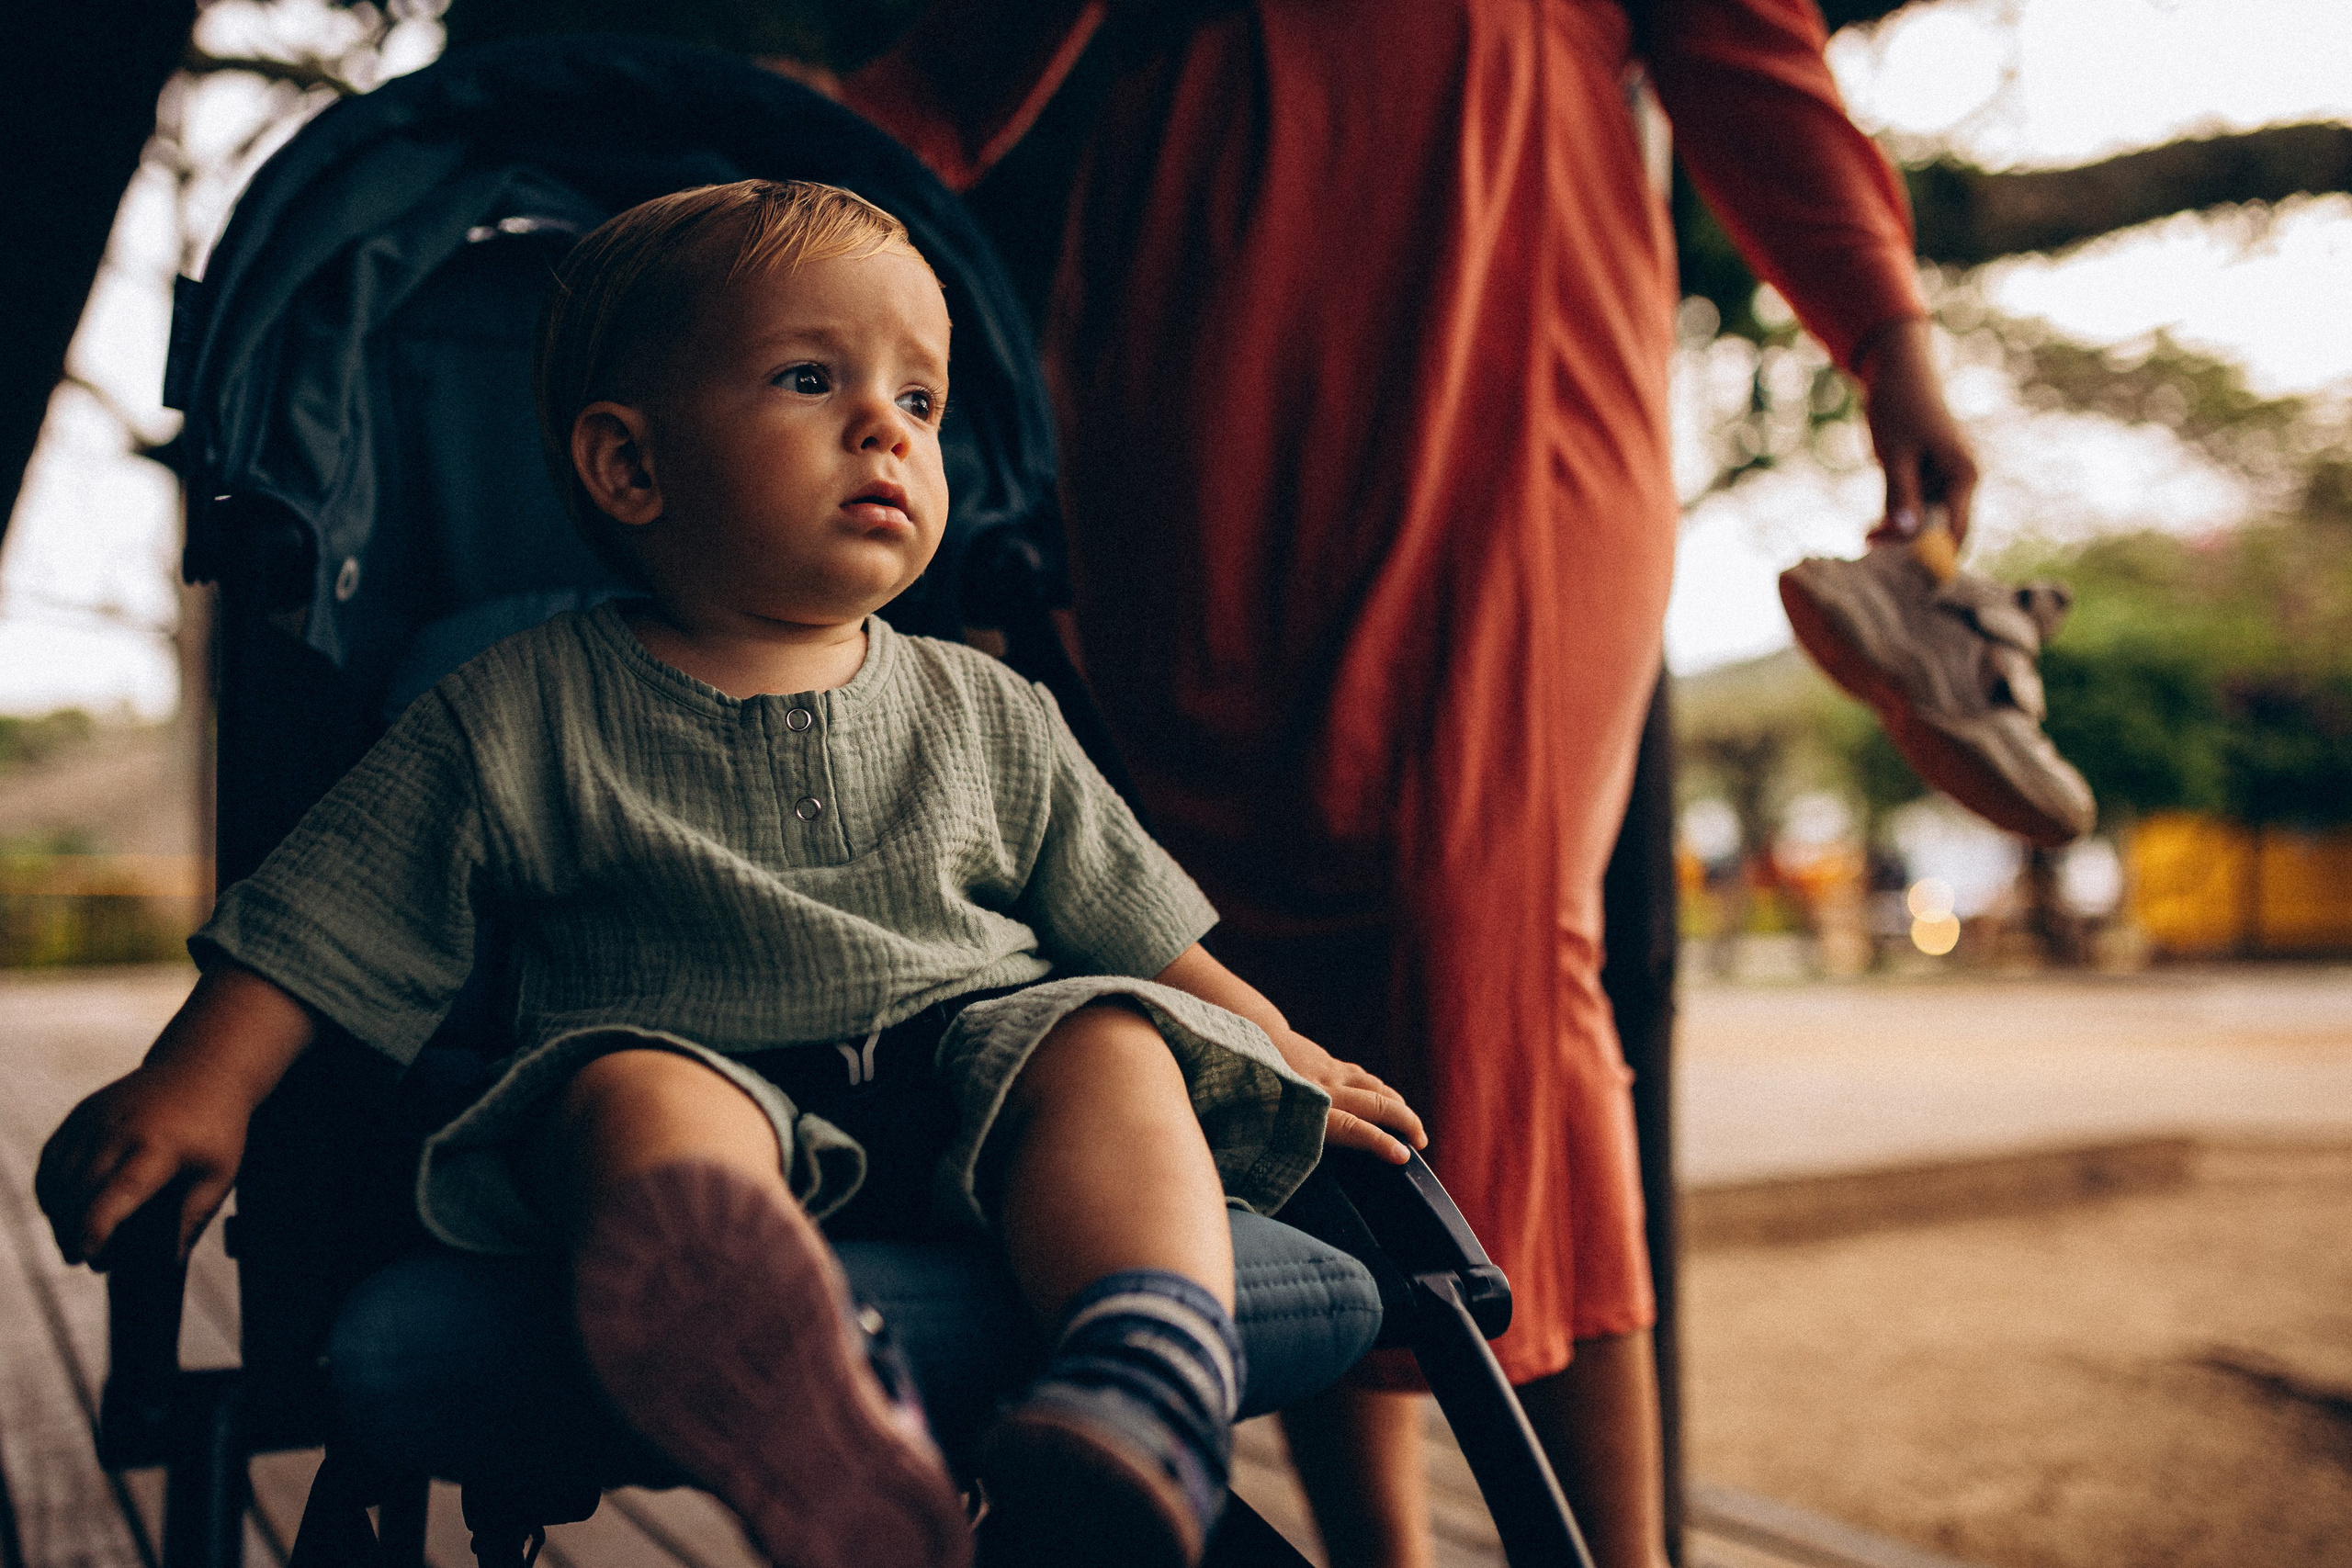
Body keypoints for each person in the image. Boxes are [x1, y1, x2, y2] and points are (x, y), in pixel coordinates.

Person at [34, 179, 1425, 1568]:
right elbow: (332, 920)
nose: (886, 426)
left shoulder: (991, 710)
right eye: (812, 378)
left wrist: (1279, 1045)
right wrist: (200, 1084)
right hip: (691, 1069)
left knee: (1113, 1039)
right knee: (623, 1100)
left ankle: (1140, 1385)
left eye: (922, 403)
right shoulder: (513, 709)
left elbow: (1136, 923)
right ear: (631, 469)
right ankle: (801, 1421)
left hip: (975, 1091)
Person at [836, 5, 1981, 1564]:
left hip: (1514, 288)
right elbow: (969, 69)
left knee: (1500, 934)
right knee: (1276, 982)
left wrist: (1889, 339)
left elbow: (1749, 50)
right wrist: (766, 174)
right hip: (1201, 340)